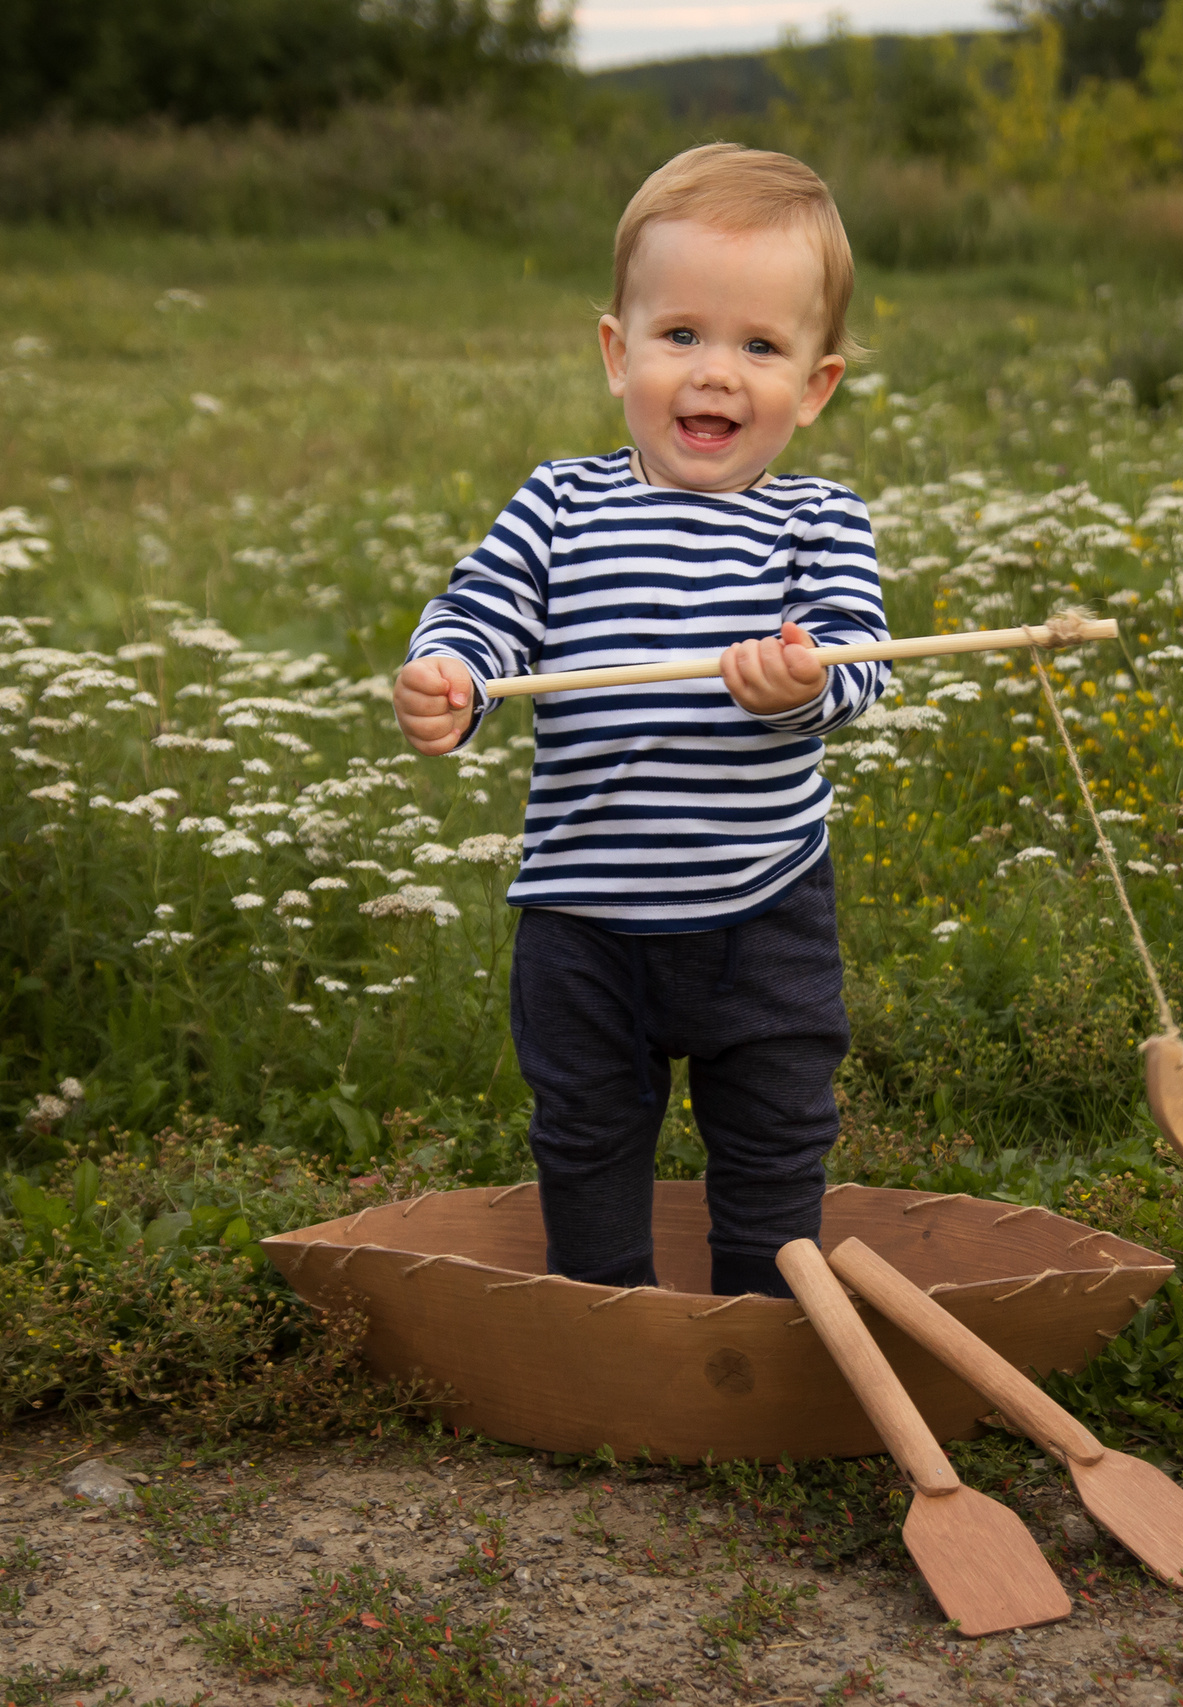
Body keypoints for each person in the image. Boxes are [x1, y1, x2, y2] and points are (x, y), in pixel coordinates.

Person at [392, 144, 889, 1300]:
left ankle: (766, 1322)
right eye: (682, 336)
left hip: (761, 905)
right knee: (587, 1132)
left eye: (760, 346)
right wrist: (446, 675)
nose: (715, 374)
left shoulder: (817, 521)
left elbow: (861, 660)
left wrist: (805, 681)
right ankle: (602, 1317)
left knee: (773, 1137)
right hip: (584, 916)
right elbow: (482, 614)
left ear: (814, 385)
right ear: (618, 354)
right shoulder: (560, 503)